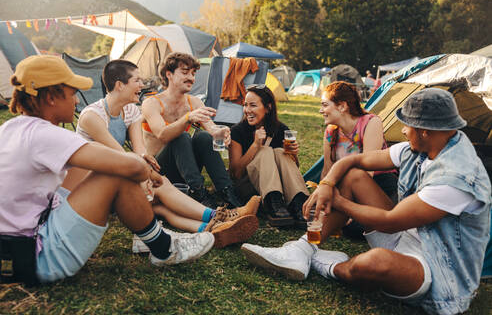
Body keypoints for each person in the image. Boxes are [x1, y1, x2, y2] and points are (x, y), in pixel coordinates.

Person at [241, 88, 491, 315]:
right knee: (353, 176)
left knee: (376, 262)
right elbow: (353, 161)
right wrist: (327, 185)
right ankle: (302, 250)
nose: (403, 131)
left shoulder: (454, 178)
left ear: (425, 131)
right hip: (406, 237)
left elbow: (390, 222)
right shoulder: (423, 147)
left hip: (437, 267)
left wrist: (339, 201)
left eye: (408, 126)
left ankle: (327, 265)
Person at [0, 55, 217, 284]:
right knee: (116, 173)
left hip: (13, 251)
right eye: (72, 94)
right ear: (52, 97)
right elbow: (131, 166)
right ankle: (164, 248)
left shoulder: (10, 128)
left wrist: (139, 164)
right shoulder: (46, 134)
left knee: (90, 167)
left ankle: (161, 231)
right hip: (39, 258)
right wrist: (145, 170)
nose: (76, 102)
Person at [69, 59, 260, 249]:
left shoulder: (130, 111)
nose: (142, 85)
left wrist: (218, 132)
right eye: (137, 80)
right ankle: (219, 215)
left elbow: (140, 152)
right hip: (94, 186)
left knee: (161, 207)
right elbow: (122, 156)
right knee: (161, 184)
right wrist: (146, 173)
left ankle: (214, 229)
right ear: (120, 85)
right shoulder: (92, 116)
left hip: (117, 176)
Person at [141, 52, 241, 208]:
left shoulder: (194, 102)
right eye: (185, 72)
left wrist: (221, 133)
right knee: (181, 137)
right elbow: (162, 134)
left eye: (193, 73)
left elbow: (211, 128)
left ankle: (226, 192)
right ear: (169, 74)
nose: (191, 78)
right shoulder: (151, 103)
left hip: (185, 170)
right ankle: (198, 192)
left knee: (204, 137)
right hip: (158, 172)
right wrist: (187, 117)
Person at [319, 81, 398, 238]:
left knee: (355, 229)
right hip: (346, 187)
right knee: (324, 218)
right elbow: (327, 170)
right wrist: (322, 197)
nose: (321, 110)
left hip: (379, 184)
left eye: (325, 105)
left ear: (342, 106)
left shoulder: (370, 122)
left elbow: (369, 170)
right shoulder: (331, 131)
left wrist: (349, 211)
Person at [229, 84, 308, 228]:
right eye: (245, 105)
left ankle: (299, 203)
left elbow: (291, 170)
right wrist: (255, 146)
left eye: (253, 105)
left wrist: (293, 155)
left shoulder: (281, 129)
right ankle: (273, 203)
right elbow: (236, 174)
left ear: (268, 107)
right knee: (265, 151)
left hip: (282, 188)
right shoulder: (237, 131)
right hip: (249, 188)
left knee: (279, 152)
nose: (247, 110)